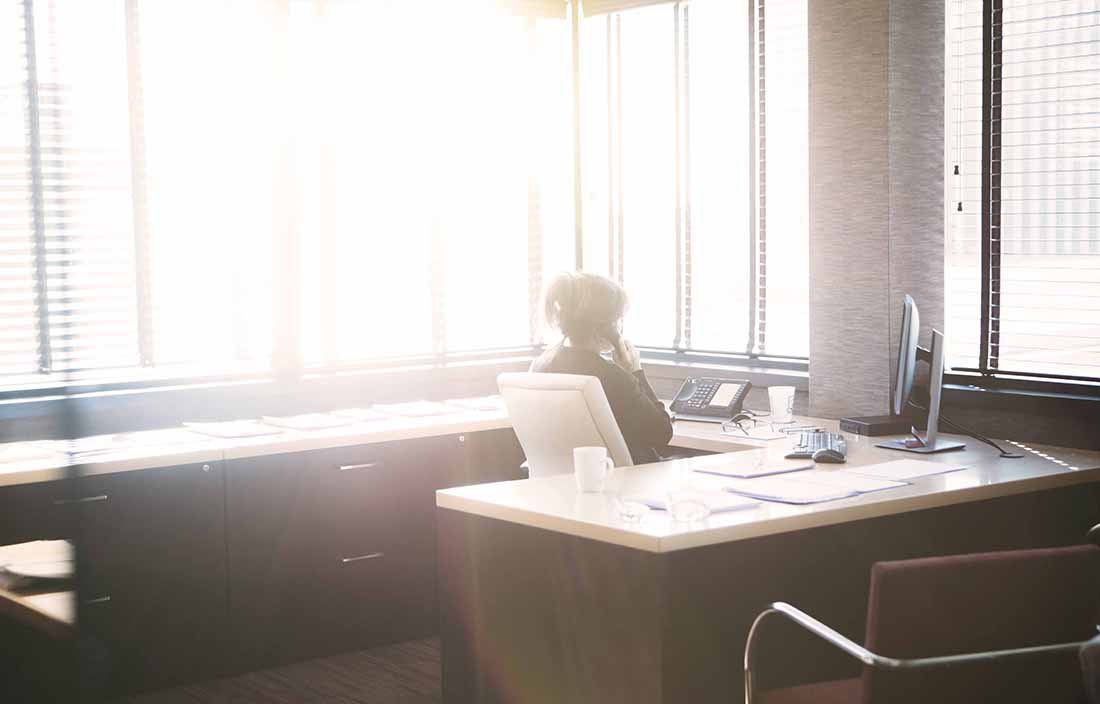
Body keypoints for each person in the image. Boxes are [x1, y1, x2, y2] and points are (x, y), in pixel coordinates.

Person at [531, 272, 673, 464]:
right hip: (624, 484)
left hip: (563, 487)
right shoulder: (611, 377)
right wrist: (635, 372)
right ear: (603, 328)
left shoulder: (541, 366)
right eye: (617, 320)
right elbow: (661, 434)